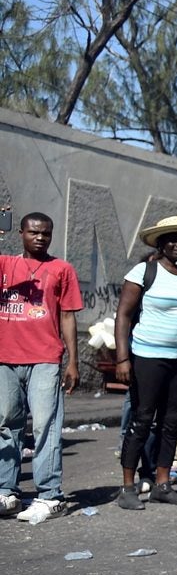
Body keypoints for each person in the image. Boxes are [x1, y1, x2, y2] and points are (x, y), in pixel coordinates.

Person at [113, 215, 177, 509]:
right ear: (161, 244)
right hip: (147, 359)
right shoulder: (144, 271)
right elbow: (124, 316)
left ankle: (162, 484)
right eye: (172, 239)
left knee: (171, 422)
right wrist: (122, 358)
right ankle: (128, 488)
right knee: (142, 420)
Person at [0, 212, 82, 521]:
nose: (40, 237)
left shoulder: (61, 269)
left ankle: (50, 495)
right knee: (7, 424)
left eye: (46, 233)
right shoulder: (5, 264)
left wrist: (72, 361)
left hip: (46, 358)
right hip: (5, 358)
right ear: (20, 233)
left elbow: (68, 316)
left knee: (45, 427)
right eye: (33, 232)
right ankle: (7, 492)